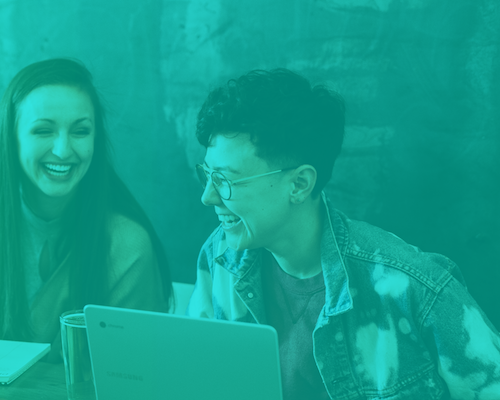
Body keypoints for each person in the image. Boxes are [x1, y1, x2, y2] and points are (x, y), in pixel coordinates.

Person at [188, 69, 500, 399]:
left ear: (299, 184)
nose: (207, 197)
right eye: (207, 175)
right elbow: (194, 378)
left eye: (225, 180)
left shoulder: (416, 289)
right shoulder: (220, 257)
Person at [0, 58, 171, 347]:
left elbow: (132, 368)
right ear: (12, 138)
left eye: (80, 131)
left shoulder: (127, 246)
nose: (63, 150)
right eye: (43, 131)